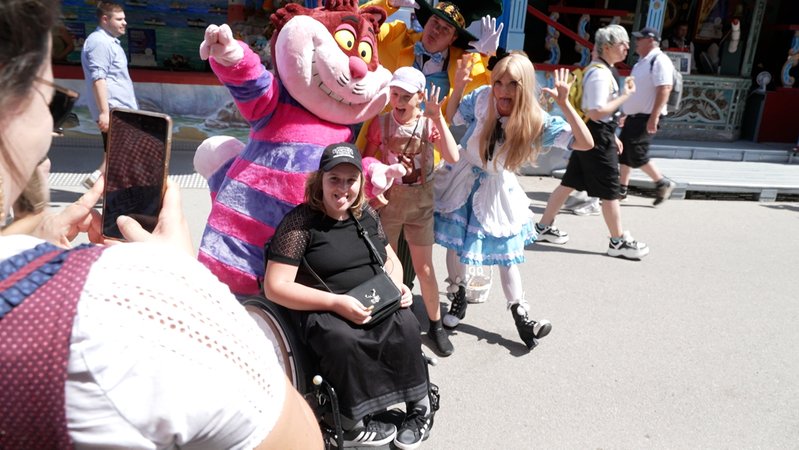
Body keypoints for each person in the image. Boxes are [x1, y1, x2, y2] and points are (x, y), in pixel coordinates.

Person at [0, 1, 321, 447]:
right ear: (16, 102)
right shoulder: (127, 312)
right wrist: (182, 283)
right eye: (56, 103)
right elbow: (299, 437)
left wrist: (34, 236)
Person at [264, 142, 436, 448]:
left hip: (372, 296)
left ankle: (419, 406)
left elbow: (390, 259)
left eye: (350, 180)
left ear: (360, 183)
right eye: (335, 179)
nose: (343, 188)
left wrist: (397, 284)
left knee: (407, 325)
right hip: (325, 304)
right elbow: (275, 286)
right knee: (343, 339)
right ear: (320, 181)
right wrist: (336, 302)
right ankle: (351, 422)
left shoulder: (364, 214)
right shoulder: (301, 223)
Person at [435, 52, 594, 349]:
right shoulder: (483, 97)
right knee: (456, 244)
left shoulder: (536, 121)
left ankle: (522, 316)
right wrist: (457, 86)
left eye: (512, 84)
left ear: (525, 86)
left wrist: (565, 104)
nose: (503, 90)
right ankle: (458, 294)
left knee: (506, 255)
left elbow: (585, 142)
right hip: (462, 177)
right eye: (499, 82)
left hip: (496, 189)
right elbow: (451, 117)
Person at [358, 0, 503, 291]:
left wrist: (490, 55)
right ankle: (369, 281)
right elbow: (360, 23)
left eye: (446, 28)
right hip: (377, 148)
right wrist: (388, 2)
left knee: (413, 227)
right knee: (367, 215)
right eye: (434, 22)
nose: (436, 30)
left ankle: (404, 288)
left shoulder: (464, 62)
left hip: (423, 158)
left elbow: (494, 86)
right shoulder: (398, 35)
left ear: (454, 38)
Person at [363, 67, 459, 356]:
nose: (399, 101)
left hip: (421, 206)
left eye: (406, 96)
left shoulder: (428, 124)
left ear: (419, 96)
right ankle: (390, 323)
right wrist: (375, 181)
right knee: (386, 266)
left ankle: (436, 325)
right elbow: (369, 157)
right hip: (389, 203)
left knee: (425, 268)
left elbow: (453, 156)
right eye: (394, 94)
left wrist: (438, 117)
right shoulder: (380, 123)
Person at [536, 24, 650, 260]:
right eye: (623, 43)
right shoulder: (599, 73)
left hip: (595, 134)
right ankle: (617, 241)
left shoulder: (602, 70)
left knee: (569, 182)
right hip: (597, 137)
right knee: (610, 190)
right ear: (607, 47)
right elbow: (596, 112)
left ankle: (543, 226)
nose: (627, 48)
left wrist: (613, 134)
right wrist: (625, 97)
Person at [80, 1, 139, 189]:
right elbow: (99, 78)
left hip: (120, 108)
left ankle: (100, 183)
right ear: (105, 19)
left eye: (125, 19)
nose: (125, 23)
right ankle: (99, 182)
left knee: (119, 152)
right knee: (119, 152)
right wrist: (104, 112)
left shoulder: (108, 42)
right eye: (119, 19)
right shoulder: (99, 43)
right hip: (114, 109)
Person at [620, 27, 677, 206]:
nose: (637, 42)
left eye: (640, 39)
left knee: (637, 153)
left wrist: (655, 116)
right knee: (624, 153)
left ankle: (662, 183)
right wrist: (624, 112)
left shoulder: (659, 61)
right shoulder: (641, 63)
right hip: (634, 116)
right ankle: (621, 189)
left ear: (651, 40)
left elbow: (664, 88)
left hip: (646, 116)